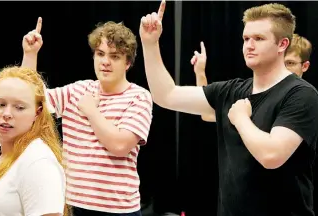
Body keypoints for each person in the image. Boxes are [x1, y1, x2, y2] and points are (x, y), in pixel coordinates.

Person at [140, 1, 318, 216]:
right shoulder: (231, 90)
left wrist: (241, 118)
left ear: (282, 44)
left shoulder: (301, 94)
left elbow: (272, 155)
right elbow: (166, 95)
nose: (249, 45)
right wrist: (150, 44)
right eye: (246, 38)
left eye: (259, 39)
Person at [21, 17, 153, 215]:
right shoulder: (78, 90)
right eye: (100, 54)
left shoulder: (139, 96)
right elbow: (28, 101)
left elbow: (119, 146)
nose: (105, 62)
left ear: (128, 63)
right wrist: (30, 55)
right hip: (72, 205)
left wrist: (91, 110)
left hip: (118, 210)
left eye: (115, 56)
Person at [0, 66, 67, 216]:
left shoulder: (39, 163)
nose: (6, 114)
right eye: (1, 104)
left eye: (19, 107)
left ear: (37, 113)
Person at [195, 33, 313, 122]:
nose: (283, 68)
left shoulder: (306, 98)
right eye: (279, 62)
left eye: (290, 63)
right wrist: (200, 72)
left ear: (305, 66)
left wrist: (242, 120)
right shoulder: (252, 92)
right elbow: (208, 114)